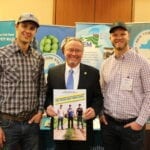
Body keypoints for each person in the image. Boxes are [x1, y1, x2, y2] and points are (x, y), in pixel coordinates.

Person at [44, 37, 103, 150]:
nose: (74, 53)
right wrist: (48, 107)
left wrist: (94, 110)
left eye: (78, 50)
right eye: (70, 50)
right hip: (60, 129)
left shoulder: (93, 73)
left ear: (82, 53)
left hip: (83, 130)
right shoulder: (53, 72)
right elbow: (48, 95)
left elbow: (98, 98)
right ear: (63, 51)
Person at [100, 22, 150, 150]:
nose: (119, 37)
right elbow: (101, 91)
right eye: (115, 35)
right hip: (109, 125)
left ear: (129, 36)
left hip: (132, 126)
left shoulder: (143, 63)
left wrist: (140, 122)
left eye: (123, 34)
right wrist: (101, 113)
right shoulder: (105, 64)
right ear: (110, 38)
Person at [0, 13, 45, 150]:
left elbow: (42, 87)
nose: (27, 31)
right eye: (24, 26)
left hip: (32, 124)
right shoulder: (2, 55)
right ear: (16, 27)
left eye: (32, 28)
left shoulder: (38, 58)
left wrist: (40, 111)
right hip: (8, 124)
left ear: (35, 31)